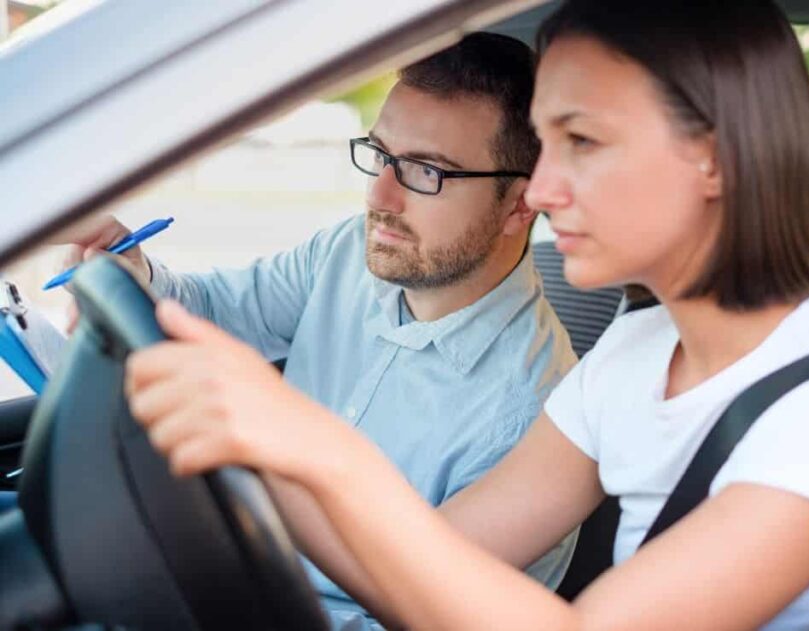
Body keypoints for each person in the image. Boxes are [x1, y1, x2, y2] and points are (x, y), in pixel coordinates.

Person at [122, 1, 809, 629]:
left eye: (582, 143)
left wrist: (311, 446)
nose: (544, 192)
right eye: (544, 145)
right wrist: (245, 457)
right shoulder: (634, 354)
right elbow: (427, 564)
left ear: (712, 157)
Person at [65, 33, 578, 631]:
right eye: (380, 154)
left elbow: (413, 611)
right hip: (211, 564)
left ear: (521, 204)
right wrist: (136, 271)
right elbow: (213, 308)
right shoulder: (348, 253)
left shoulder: (528, 414)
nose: (380, 197)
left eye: (425, 171)